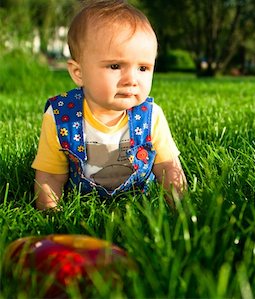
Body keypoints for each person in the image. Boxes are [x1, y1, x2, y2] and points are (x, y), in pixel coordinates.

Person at [32, 0, 186, 210]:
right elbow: (50, 176)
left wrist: (181, 210)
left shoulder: (151, 116)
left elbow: (168, 167)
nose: (131, 79)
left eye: (143, 68)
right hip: (82, 202)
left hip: (138, 201)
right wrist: (50, 216)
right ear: (79, 73)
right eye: (115, 66)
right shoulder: (61, 117)